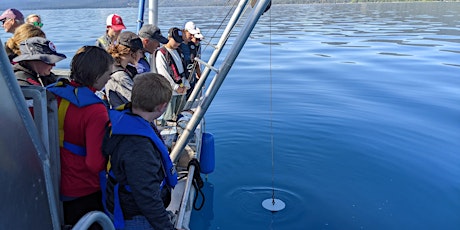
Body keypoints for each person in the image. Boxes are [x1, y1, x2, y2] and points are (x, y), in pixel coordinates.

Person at [46, 46, 114, 228]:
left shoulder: (49, 93)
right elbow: (94, 164)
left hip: (49, 184)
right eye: (108, 74)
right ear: (97, 75)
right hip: (82, 190)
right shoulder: (95, 110)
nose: (109, 78)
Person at [102, 72, 177, 230]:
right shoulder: (138, 147)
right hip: (135, 217)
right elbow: (146, 196)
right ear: (162, 106)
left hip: (127, 205)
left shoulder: (129, 120)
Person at [155, 27, 190, 123]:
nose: (178, 44)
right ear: (169, 37)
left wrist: (186, 85)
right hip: (170, 92)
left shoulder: (179, 51)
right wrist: (175, 87)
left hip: (181, 90)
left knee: (181, 116)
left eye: (180, 41)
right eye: (176, 41)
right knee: (168, 118)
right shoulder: (161, 53)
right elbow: (163, 74)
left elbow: (183, 69)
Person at [105, 31, 143, 108]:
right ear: (132, 53)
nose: (141, 56)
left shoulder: (115, 69)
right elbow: (138, 104)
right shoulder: (120, 76)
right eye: (140, 52)